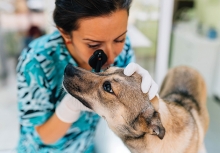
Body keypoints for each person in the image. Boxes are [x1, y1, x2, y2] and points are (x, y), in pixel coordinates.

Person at [16, 0, 158, 152]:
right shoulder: (36, 62)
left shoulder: (124, 50)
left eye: (119, 39)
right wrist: (69, 107)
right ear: (65, 33)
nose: (111, 57)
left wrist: (149, 100)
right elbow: (42, 137)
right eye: (94, 45)